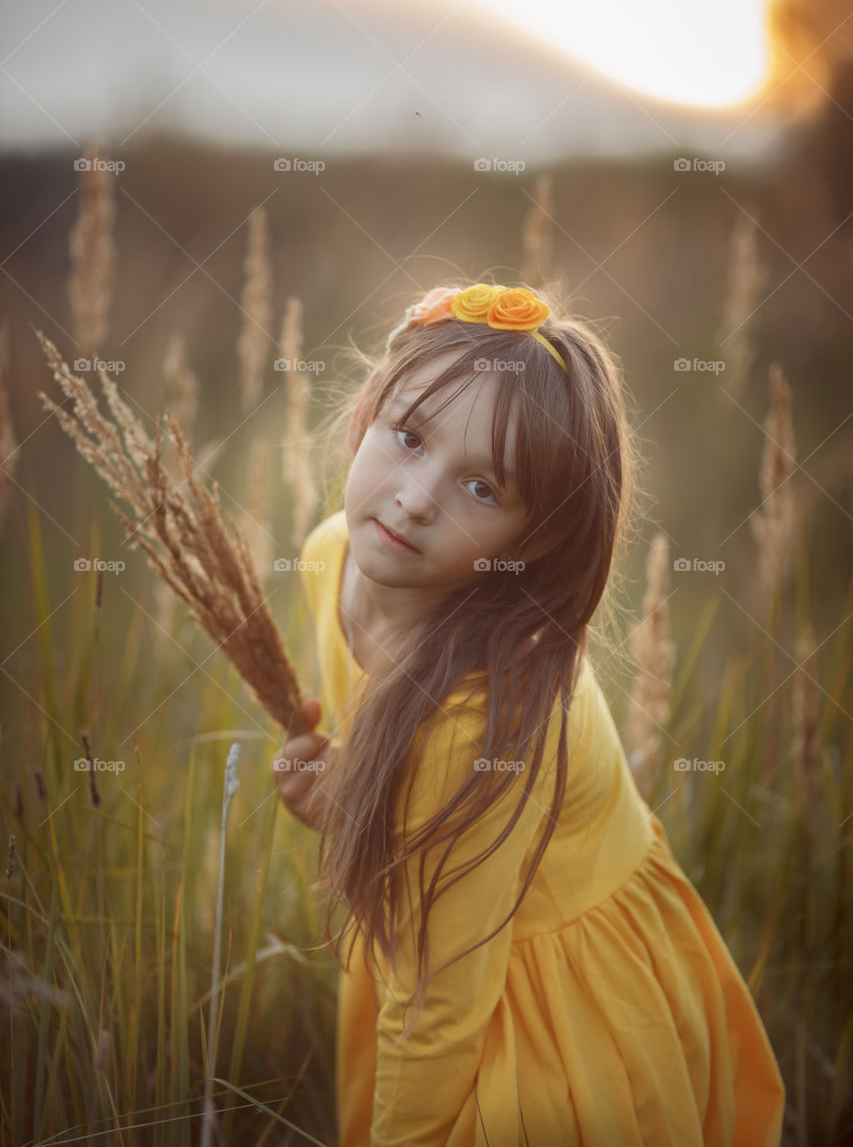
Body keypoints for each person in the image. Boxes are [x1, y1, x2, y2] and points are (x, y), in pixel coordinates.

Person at [272, 282, 786, 1146]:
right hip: (445, 932)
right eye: (408, 437)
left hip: (551, 1005)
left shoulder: (474, 719)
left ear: (530, 541)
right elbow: (387, 776)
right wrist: (344, 798)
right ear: (364, 413)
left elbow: (438, 1007)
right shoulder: (333, 555)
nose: (414, 498)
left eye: (480, 486)